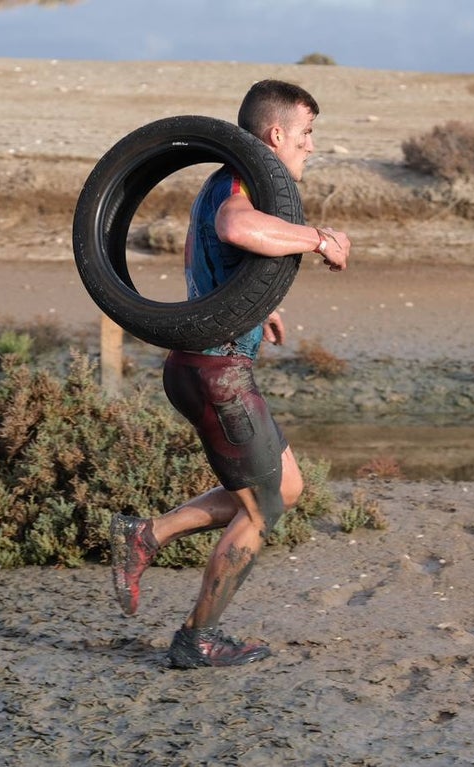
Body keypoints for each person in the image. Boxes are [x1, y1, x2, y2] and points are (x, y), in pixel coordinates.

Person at [109, 79, 351, 669]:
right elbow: (236, 231)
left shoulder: (227, 181)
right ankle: (197, 638)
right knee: (262, 510)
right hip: (218, 374)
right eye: (306, 133)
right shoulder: (239, 182)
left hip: (205, 364)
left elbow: (219, 263)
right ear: (275, 134)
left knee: (285, 489)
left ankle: (148, 534)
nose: (311, 145)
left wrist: (255, 306)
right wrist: (319, 239)